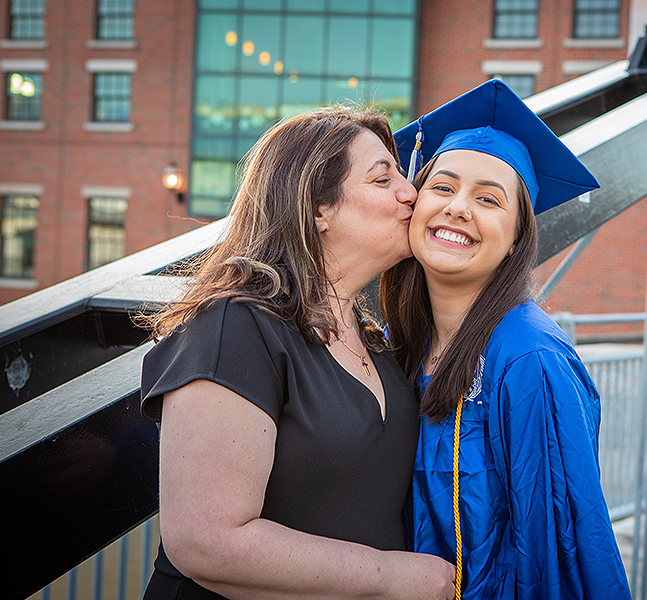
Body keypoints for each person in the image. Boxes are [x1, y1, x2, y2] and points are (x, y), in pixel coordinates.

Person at [139, 107, 455, 600]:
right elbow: (205, 542)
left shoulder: (375, 341)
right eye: (382, 178)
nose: (411, 191)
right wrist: (388, 577)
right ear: (317, 208)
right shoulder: (236, 327)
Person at [380, 80, 632, 600]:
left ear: (517, 236)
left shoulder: (529, 360)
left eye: (488, 199)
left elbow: (556, 553)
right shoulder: (398, 340)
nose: (458, 208)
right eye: (442, 188)